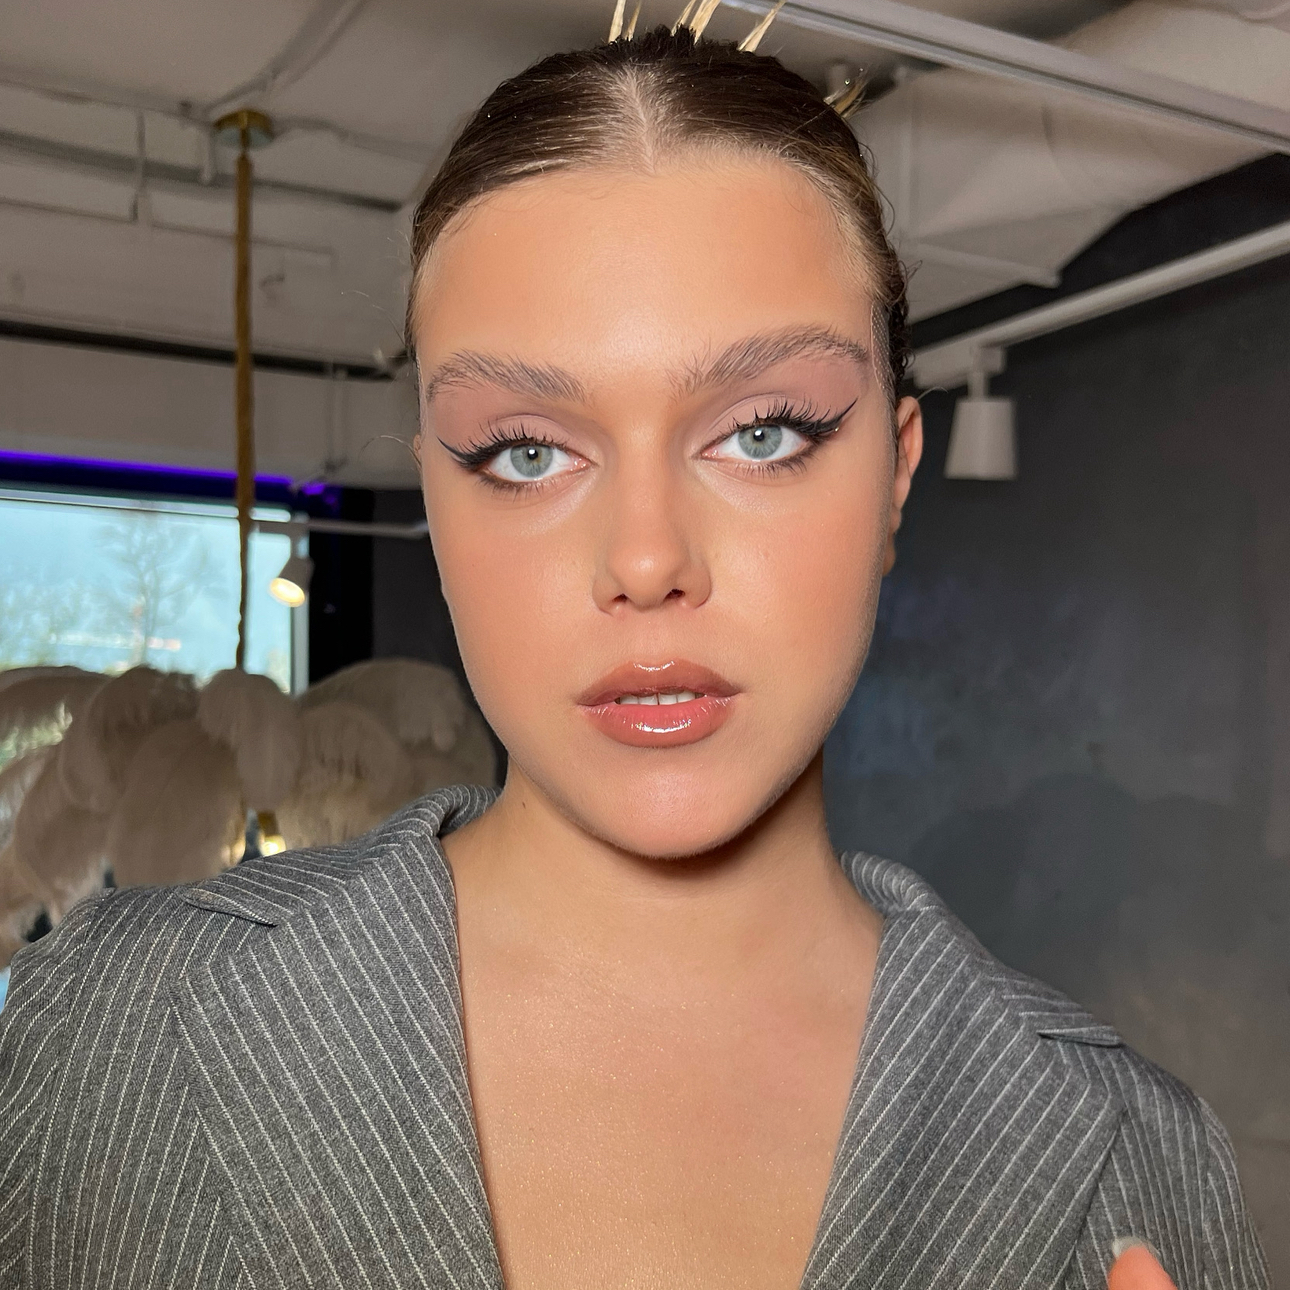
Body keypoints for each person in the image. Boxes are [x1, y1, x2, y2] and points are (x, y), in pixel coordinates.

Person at [0, 20, 1268, 1290]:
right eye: (526, 453)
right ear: (437, 501)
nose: (648, 559)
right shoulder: (110, 1024)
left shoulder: (1142, 1157)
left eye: (764, 433)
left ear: (894, 474)